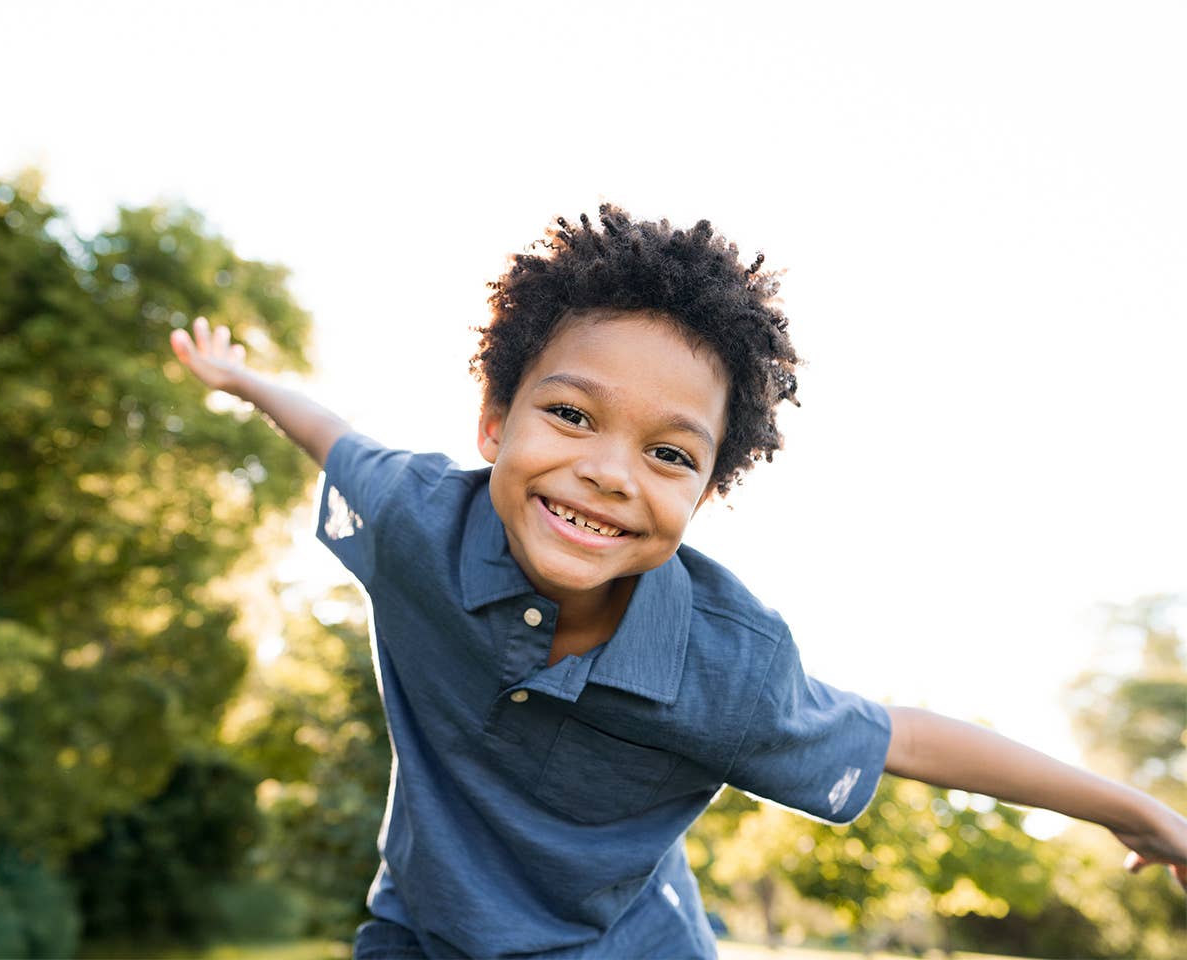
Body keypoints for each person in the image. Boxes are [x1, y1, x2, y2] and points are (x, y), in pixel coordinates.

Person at [169, 206, 1186, 959]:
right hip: (422, 933)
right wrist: (242, 379)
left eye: (667, 455)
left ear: (703, 493)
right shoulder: (414, 520)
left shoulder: (725, 669)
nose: (610, 471)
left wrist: (1130, 811)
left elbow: (900, 737)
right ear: (493, 422)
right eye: (570, 415)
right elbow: (332, 436)